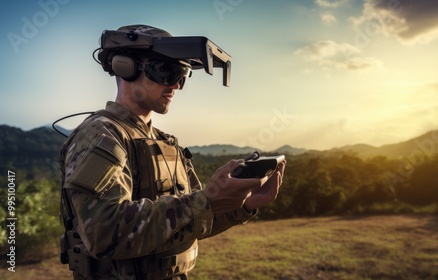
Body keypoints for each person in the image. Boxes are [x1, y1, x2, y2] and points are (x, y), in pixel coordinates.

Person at [58, 24, 286, 280]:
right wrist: (207, 200)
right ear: (126, 67)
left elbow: (190, 222)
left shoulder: (166, 144)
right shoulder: (101, 135)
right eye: (166, 71)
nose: (176, 85)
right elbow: (105, 233)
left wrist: (243, 206)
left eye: (182, 75)